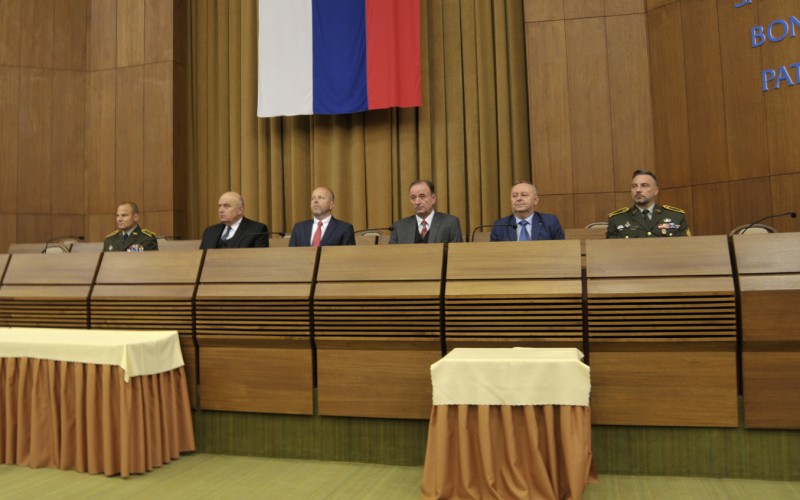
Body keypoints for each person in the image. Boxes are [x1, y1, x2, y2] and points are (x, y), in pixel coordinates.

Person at [606, 170, 691, 238]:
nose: (638, 190)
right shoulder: (617, 219)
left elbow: (687, 248)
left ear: (655, 191)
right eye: (634, 186)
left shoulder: (676, 216)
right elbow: (612, 252)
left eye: (644, 185)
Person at [390, 180, 463, 244]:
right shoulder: (399, 227)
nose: (417, 202)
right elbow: (392, 257)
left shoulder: (450, 223)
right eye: (413, 198)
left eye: (422, 196)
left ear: (433, 199)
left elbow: (457, 255)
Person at [490, 181, 564, 241]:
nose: (518, 199)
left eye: (524, 195)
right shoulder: (500, 225)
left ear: (535, 200)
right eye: (514, 196)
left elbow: (561, 250)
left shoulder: (550, 222)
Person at [289, 187, 356, 247]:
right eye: (313, 198)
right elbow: (291, 256)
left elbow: (348, 257)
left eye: (321, 198)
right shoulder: (299, 228)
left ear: (331, 205)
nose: (315, 201)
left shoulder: (344, 229)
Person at [200, 191, 269, 249]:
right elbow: (201, 258)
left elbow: (259, 260)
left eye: (226, 206)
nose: (221, 210)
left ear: (240, 210)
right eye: (219, 206)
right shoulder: (210, 231)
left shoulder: (257, 230)